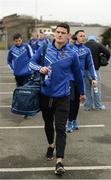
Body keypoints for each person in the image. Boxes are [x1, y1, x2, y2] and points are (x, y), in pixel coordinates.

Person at [29, 23, 85, 175]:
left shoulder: (72, 54)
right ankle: (50, 145)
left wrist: (82, 92)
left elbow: (78, 75)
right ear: (54, 34)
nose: (60, 34)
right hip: (45, 94)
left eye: (63, 33)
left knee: (61, 128)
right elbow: (31, 63)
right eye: (58, 32)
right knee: (48, 123)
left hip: (63, 96)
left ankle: (59, 161)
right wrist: (39, 68)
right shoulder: (44, 49)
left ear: (68, 35)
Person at [66, 30, 97, 132]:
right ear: (76, 37)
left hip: (80, 79)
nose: (83, 37)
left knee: (76, 102)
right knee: (70, 101)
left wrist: (94, 78)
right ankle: (69, 122)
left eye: (84, 36)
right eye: (81, 36)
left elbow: (90, 64)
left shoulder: (86, 50)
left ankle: (74, 121)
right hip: (69, 78)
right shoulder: (69, 47)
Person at [84, 35, 110, 110]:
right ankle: (98, 105)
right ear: (94, 40)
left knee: (87, 89)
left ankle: (88, 106)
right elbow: (108, 52)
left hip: (85, 70)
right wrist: (104, 60)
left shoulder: (84, 46)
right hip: (95, 69)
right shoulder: (98, 45)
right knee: (96, 88)